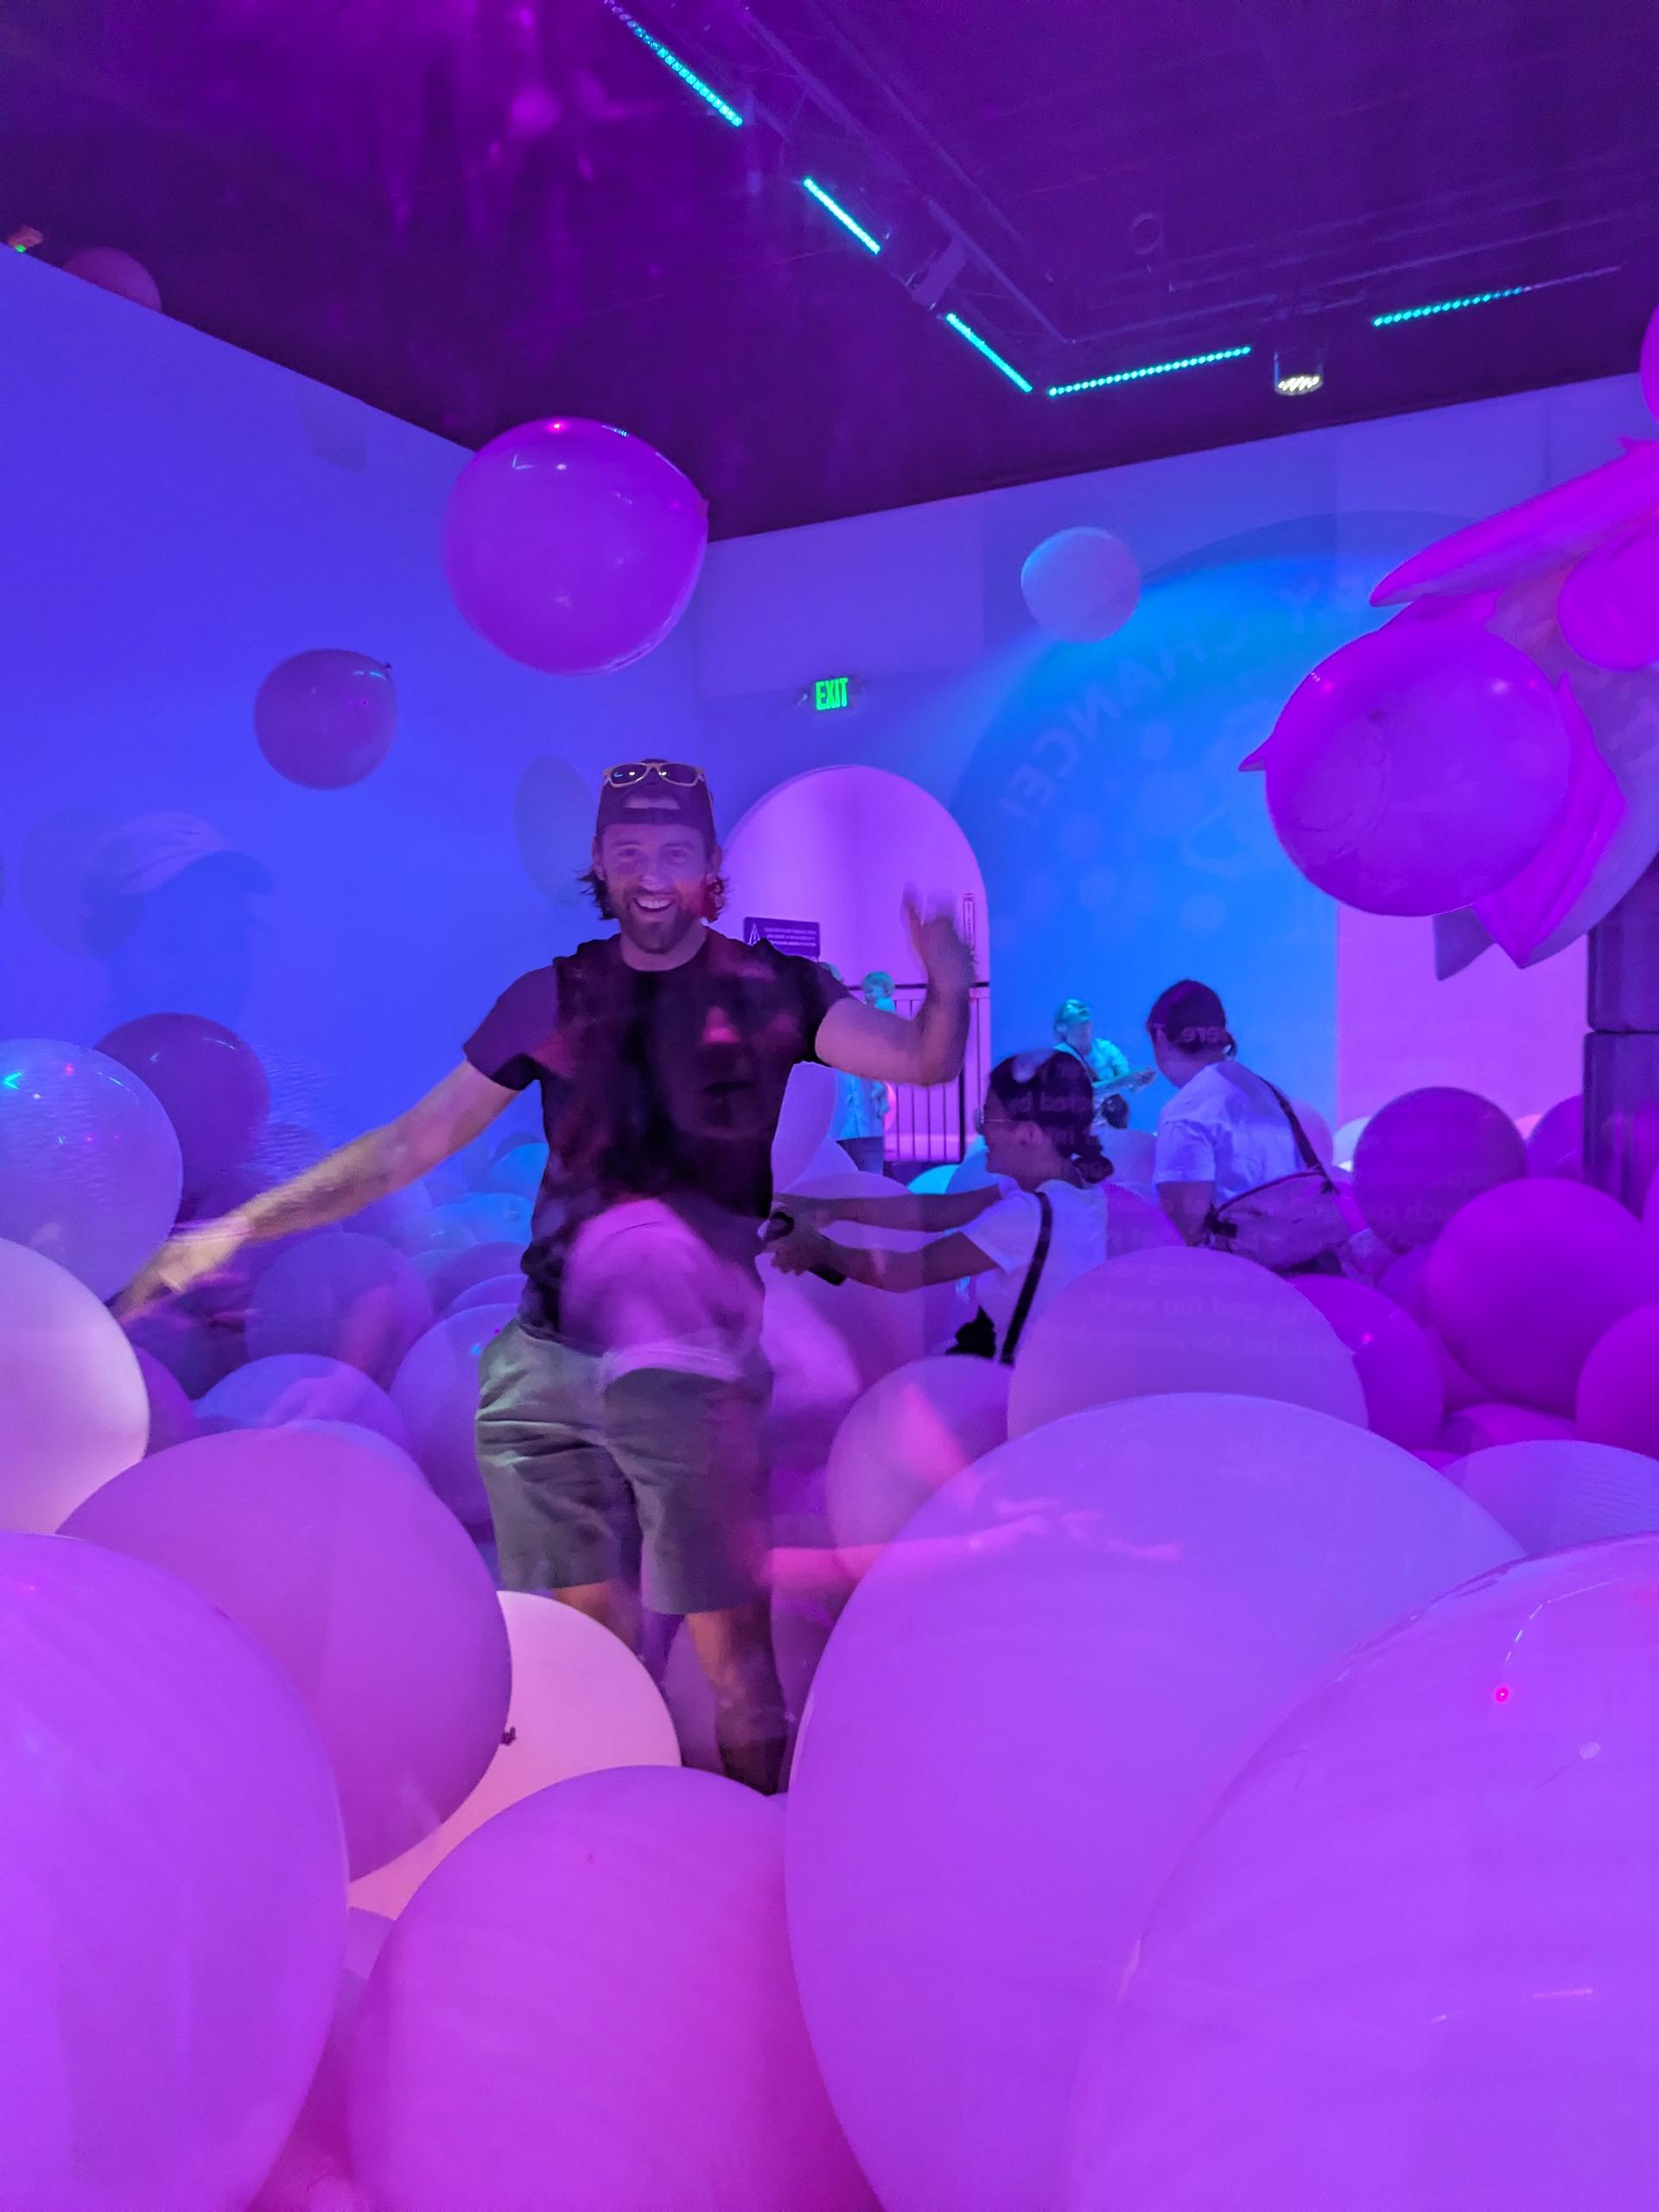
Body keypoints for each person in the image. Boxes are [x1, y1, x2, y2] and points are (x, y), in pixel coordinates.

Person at [123, 758, 973, 1794]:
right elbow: (406, 1149)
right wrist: (236, 1229)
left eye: (673, 854)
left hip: (694, 1368)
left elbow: (920, 1061)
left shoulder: (775, 990)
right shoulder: (550, 998)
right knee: (584, 1656)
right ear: (600, 872)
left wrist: (944, 981)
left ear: (713, 868)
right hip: (546, 1371)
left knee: (734, 1663)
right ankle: (605, 1848)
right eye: (627, 856)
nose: (650, 876)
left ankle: (759, 1857)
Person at [768, 1048, 1109, 1360]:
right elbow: (935, 1212)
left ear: (1029, 1134)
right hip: (1054, 1373)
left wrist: (820, 1250)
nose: (982, 1132)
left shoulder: (1025, 1217)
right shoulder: (1075, 1192)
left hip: (1019, 1387)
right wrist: (827, 1209)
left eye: (988, 1119)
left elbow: (903, 1272)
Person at [1147, 979, 1340, 1268]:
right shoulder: (1267, 1091)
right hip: (1308, 1271)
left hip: (1242, 1284)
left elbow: (1184, 1232)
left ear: (1160, 1035)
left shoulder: (1186, 1111)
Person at [1053, 997, 1154, 1131]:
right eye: (1071, 1007)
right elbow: (1083, 1093)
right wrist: (1124, 1081)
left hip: (1111, 1128)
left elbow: (1130, 1085)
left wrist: (1140, 1080)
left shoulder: (1106, 1048)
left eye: (1082, 1005)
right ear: (1061, 1027)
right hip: (1076, 1132)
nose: (1081, 1007)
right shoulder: (1058, 1056)